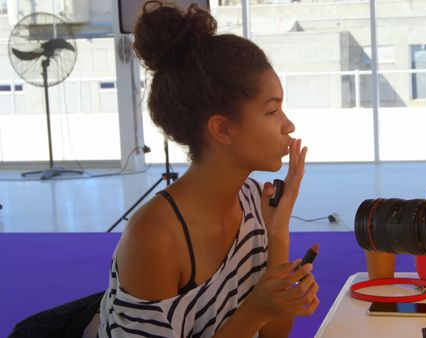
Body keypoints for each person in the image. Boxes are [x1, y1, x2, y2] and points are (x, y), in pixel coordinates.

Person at [95, 2, 319, 337]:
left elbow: (274, 334)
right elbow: (258, 319)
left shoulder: (253, 203)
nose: (288, 125)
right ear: (223, 130)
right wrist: (256, 309)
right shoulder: (154, 237)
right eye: (272, 112)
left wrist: (278, 234)